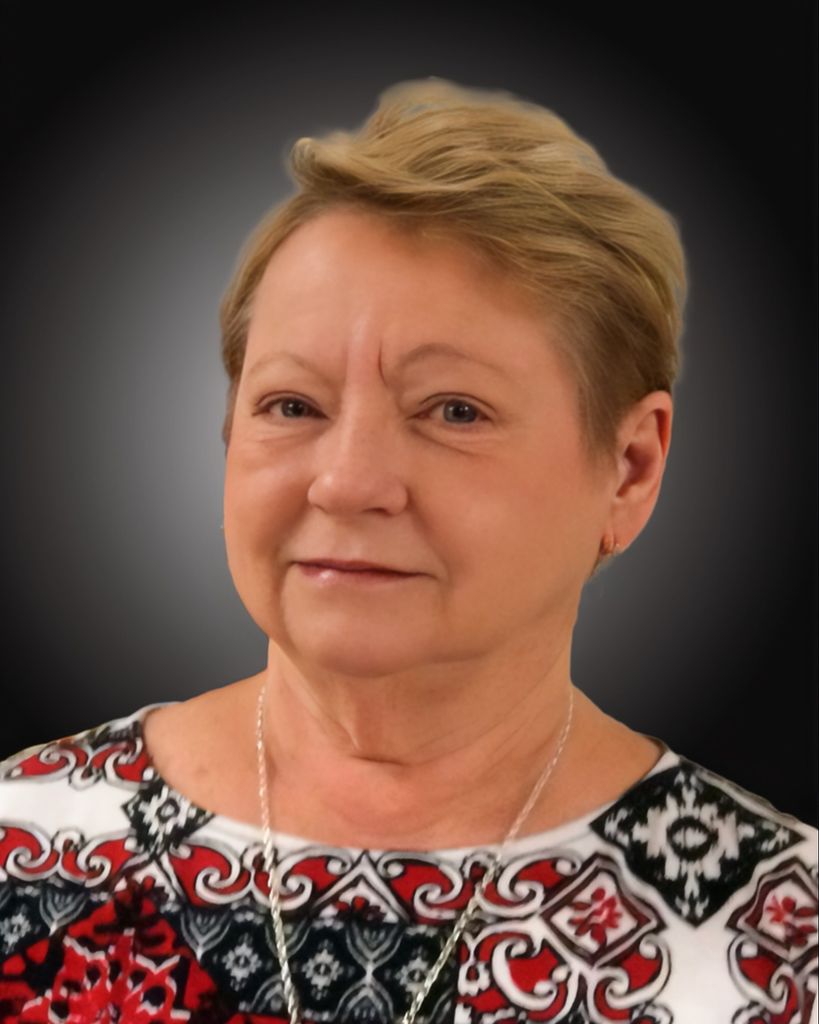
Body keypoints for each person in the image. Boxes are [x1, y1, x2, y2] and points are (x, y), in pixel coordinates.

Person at [0, 76, 815, 1024]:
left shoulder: (784, 934)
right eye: (292, 405)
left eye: (453, 411)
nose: (346, 483)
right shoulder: (19, 840)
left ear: (628, 471)